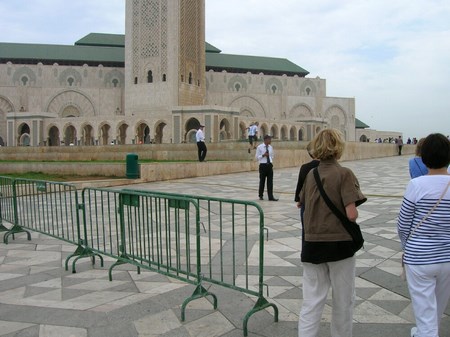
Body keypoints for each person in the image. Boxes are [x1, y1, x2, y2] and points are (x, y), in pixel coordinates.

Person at [298, 128, 366, 337]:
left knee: (311, 300)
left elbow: (302, 204)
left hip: (312, 244)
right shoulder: (344, 174)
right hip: (339, 245)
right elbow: (351, 214)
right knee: (343, 300)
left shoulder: (311, 174)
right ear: (338, 148)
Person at [397, 133, 450, 337]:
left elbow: (403, 224)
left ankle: (425, 333)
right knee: (436, 310)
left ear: (424, 158)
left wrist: (406, 247)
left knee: (425, 312)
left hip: (419, 259)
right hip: (446, 258)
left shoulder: (417, 185)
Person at [255, 134, 278, 201]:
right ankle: (260, 195)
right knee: (262, 181)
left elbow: (272, 155)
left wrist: (270, 160)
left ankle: (270, 196)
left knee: (270, 182)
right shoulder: (260, 147)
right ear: (265, 140)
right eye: (269, 139)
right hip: (263, 166)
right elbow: (257, 157)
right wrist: (263, 155)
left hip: (269, 165)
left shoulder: (270, 147)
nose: (270, 141)